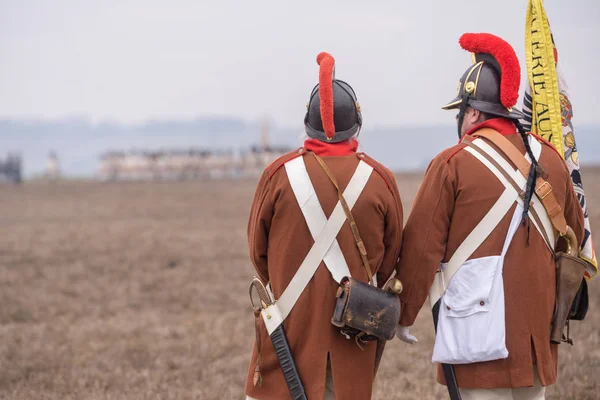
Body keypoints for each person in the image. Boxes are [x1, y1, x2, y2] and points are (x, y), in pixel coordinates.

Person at [395, 33, 585, 399]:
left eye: (462, 111)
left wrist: (404, 313)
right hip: (535, 338)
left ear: (474, 112)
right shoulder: (551, 161)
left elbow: (420, 251)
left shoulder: (451, 164)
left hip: (476, 338)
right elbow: (573, 240)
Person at [245, 52, 403, 400]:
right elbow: (389, 260)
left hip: (287, 329)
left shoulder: (277, 175)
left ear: (307, 122)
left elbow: (258, 252)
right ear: (357, 124)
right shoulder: (380, 180)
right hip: (352, 337)